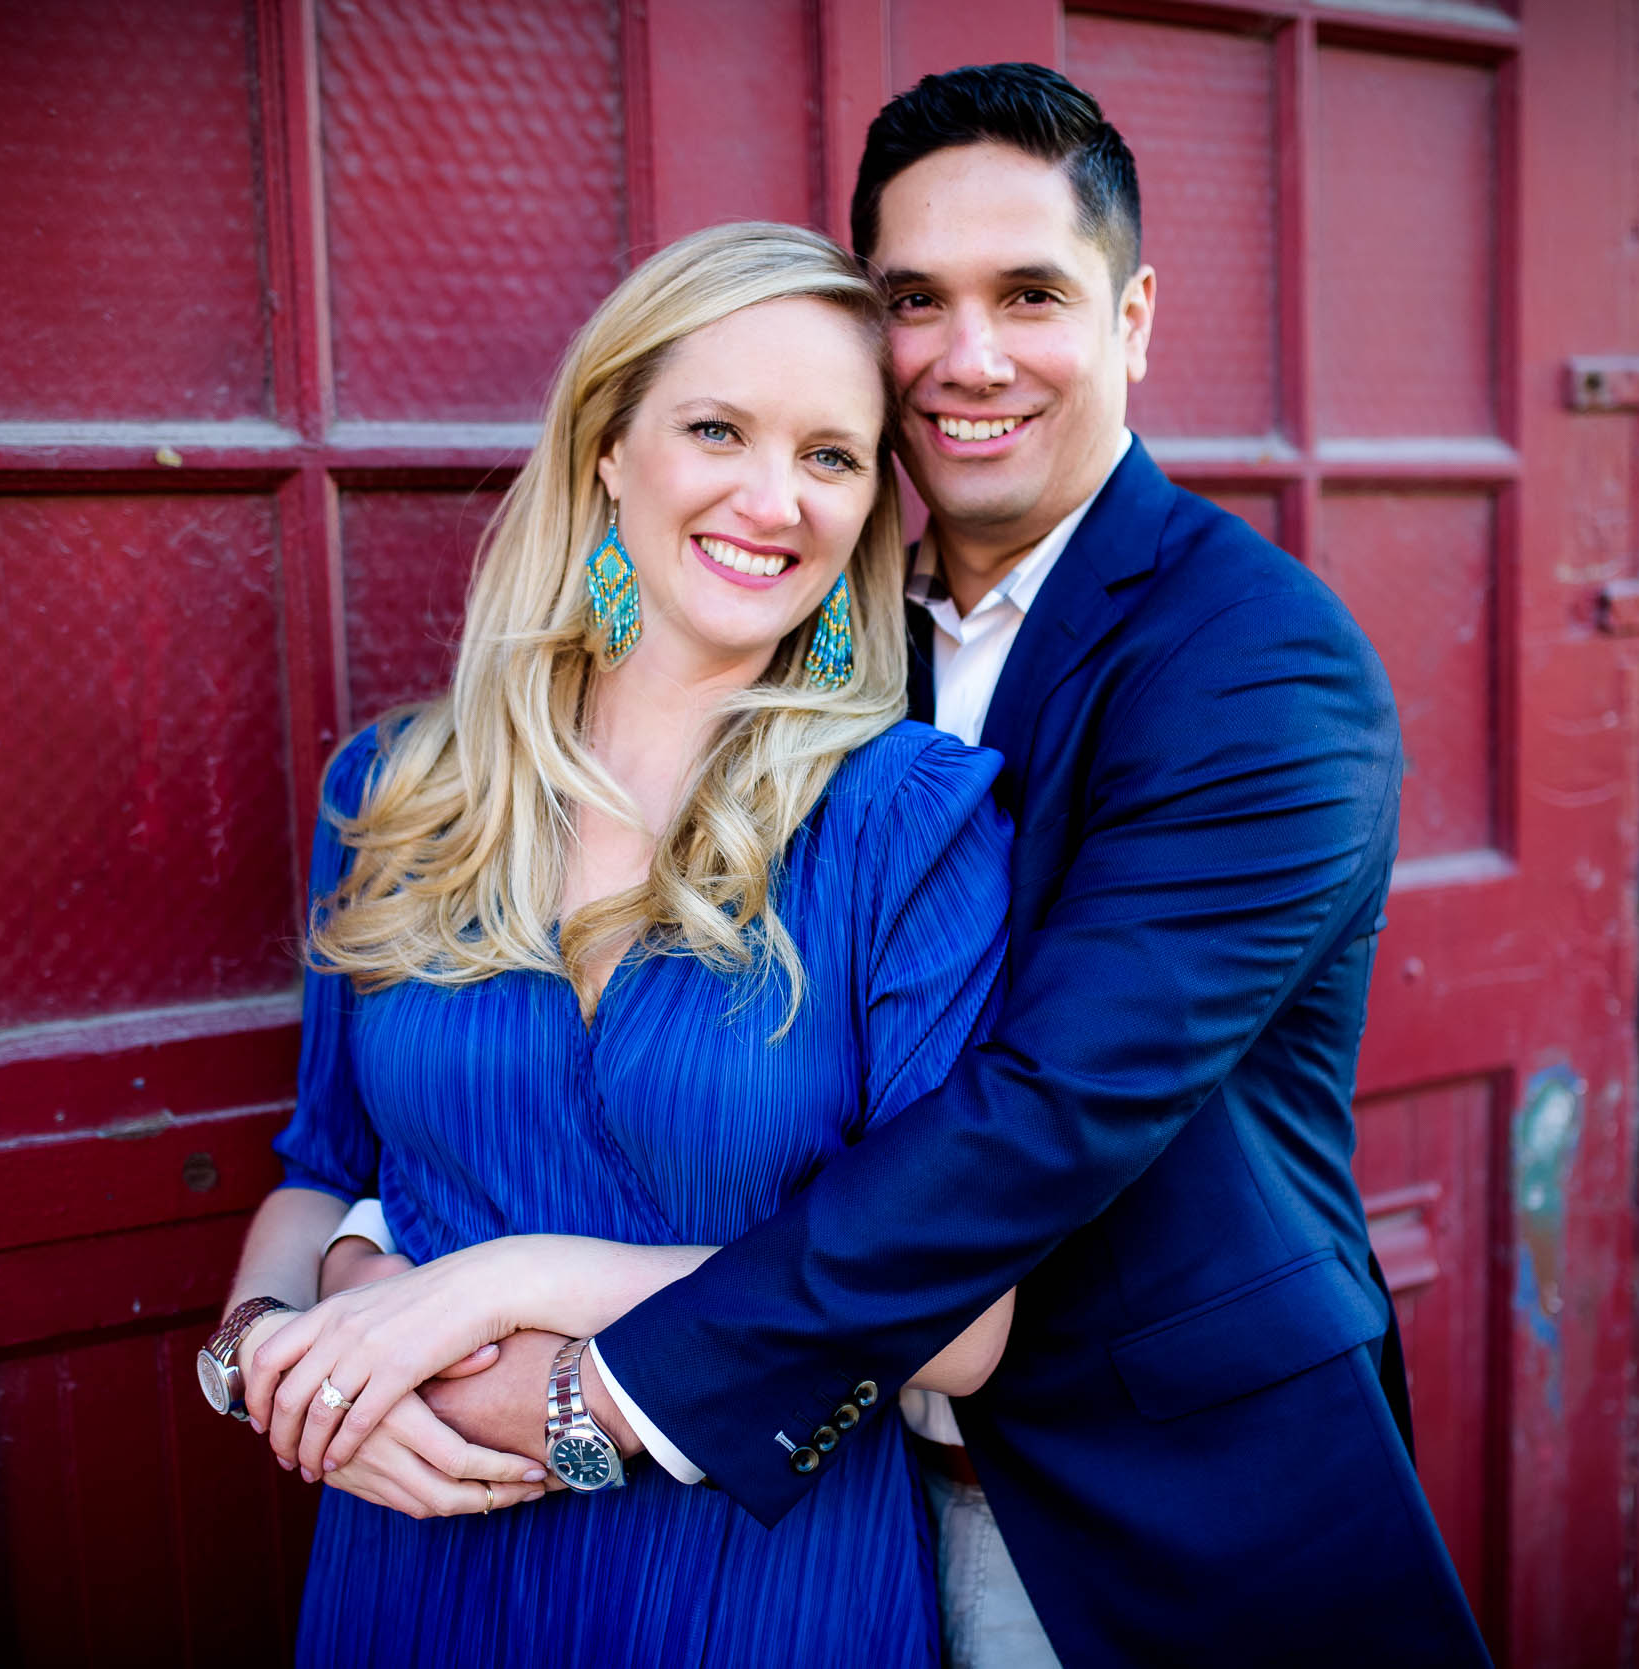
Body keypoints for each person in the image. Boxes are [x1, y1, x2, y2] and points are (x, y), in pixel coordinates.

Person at [255, 64, 1493, 1668]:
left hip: (1126, 1510)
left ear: (1130, 320)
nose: (971, 355)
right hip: (809, 1489)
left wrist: (557, 1370)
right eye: (919, 298)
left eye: (1031, 293)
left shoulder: (1254, 660)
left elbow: (1042, 1113)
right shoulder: (803, 648)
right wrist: (328, 1292)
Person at [207, 220, 1022, 1666]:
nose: (774, 500)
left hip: (760, 1586)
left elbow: (957, 1319)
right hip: (410, 1571)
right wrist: (279, 1366)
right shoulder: (396, 789)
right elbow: (321, 1171)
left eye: (832, 455)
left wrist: (504, 1274)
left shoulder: (911, 821)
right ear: (608, 450)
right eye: (717, 428)